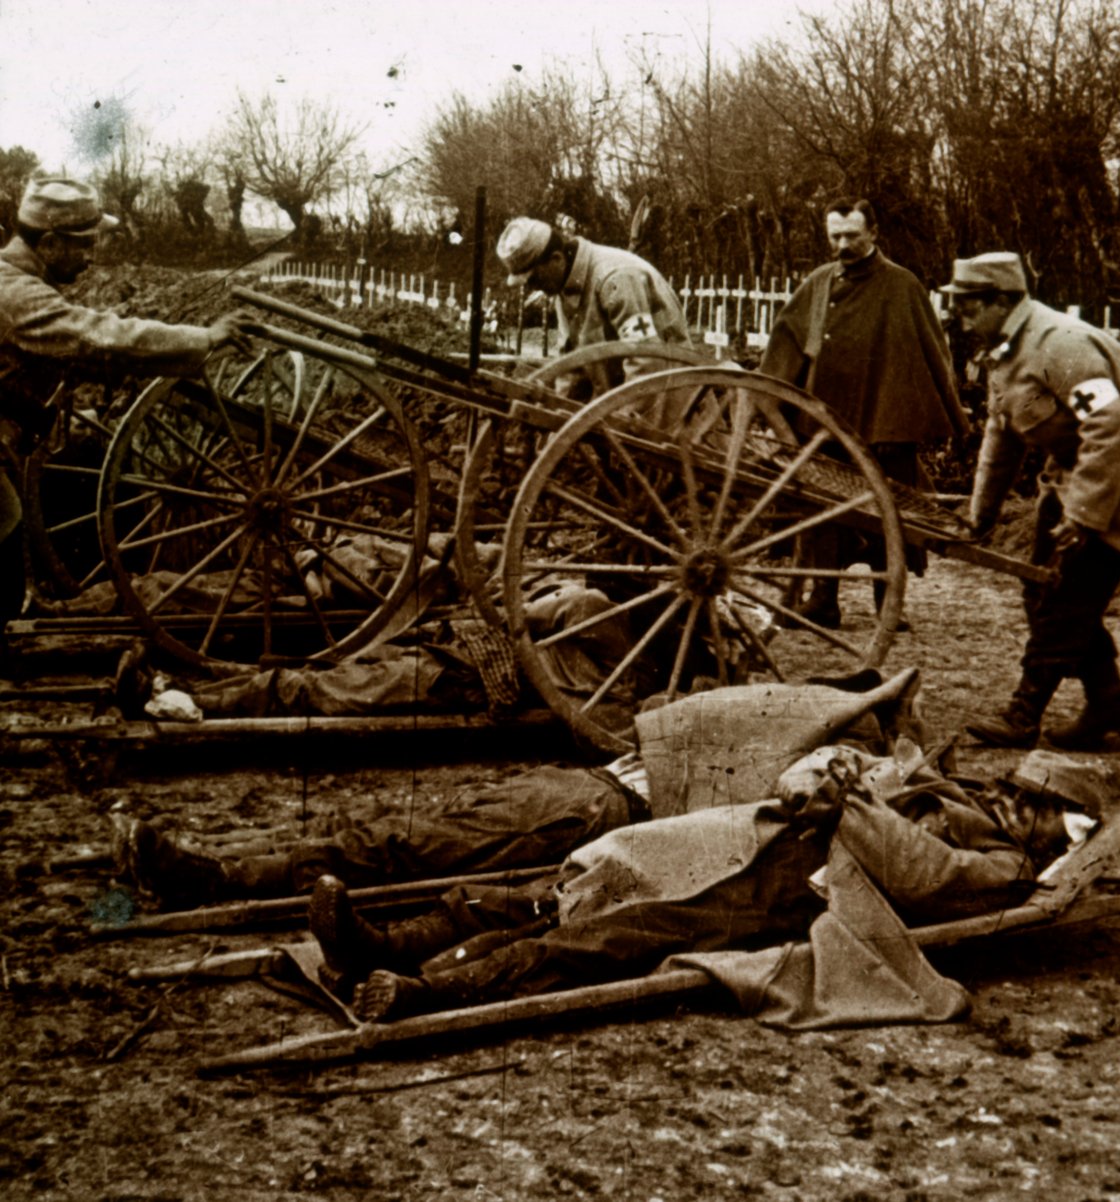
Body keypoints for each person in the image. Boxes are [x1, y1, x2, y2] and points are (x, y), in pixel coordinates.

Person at [308, 743, 1107, 1024]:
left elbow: (920, 874)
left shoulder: (1003, 869)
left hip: (784, 897)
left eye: (1035, 806)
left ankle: (430, 993)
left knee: (607, 938)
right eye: (1017, 789)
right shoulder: (959, 802)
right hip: (752, 842)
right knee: (570, 884)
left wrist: (851, 797)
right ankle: (382, 945)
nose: (1013, 801)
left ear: (1057, 834)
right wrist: (838, 773)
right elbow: (852, 776)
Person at [110, 672, 926, 909]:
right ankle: (216, 864)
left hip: (604, 813)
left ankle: (211, 877)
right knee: (409, 830)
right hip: (590, 788)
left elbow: (795, 795)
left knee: (408, 846)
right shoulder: (823, 721)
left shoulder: (849, 771)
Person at [946, 252, 1120, 750]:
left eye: (969, 307)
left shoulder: (1060, 344)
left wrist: (1084, 515)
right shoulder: (1007, 351)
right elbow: (1001, 437)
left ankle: (1024, 714)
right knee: (1039, 591)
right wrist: (978, 517)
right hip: (1078, 478)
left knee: (1063, 597)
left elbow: (1110, 425)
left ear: (1003, 300)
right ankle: (1108, 701)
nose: (961, 319)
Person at [0, 176, 251, 624]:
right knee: (5, 523)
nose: (91, 257)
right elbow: (97, 337)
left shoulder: (18, 280)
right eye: (84, 244)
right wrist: (203, 338)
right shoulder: (15, 294)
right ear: (52, 243)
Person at [759, 198, 970, 626]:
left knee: (887, 513)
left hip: (883, 420)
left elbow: (931, 353)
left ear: (873, 233)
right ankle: (823, 600)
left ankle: (887, 602)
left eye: (852, 236)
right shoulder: (819, 283)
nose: (842, 245)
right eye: (834, 236)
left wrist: (921, 416)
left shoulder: (902, 285)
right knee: (820, 509)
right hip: (825, 420)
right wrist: (770, 401)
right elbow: (787, 339)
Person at [496, 216, 691, 396]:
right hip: (621, 406)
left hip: (667, 403)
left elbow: (647, 359)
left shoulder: (616, 281)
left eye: (534, 278)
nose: (532, 287)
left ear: (556, 259)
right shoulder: (564, 290)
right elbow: (572, 365)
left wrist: (618, 422)